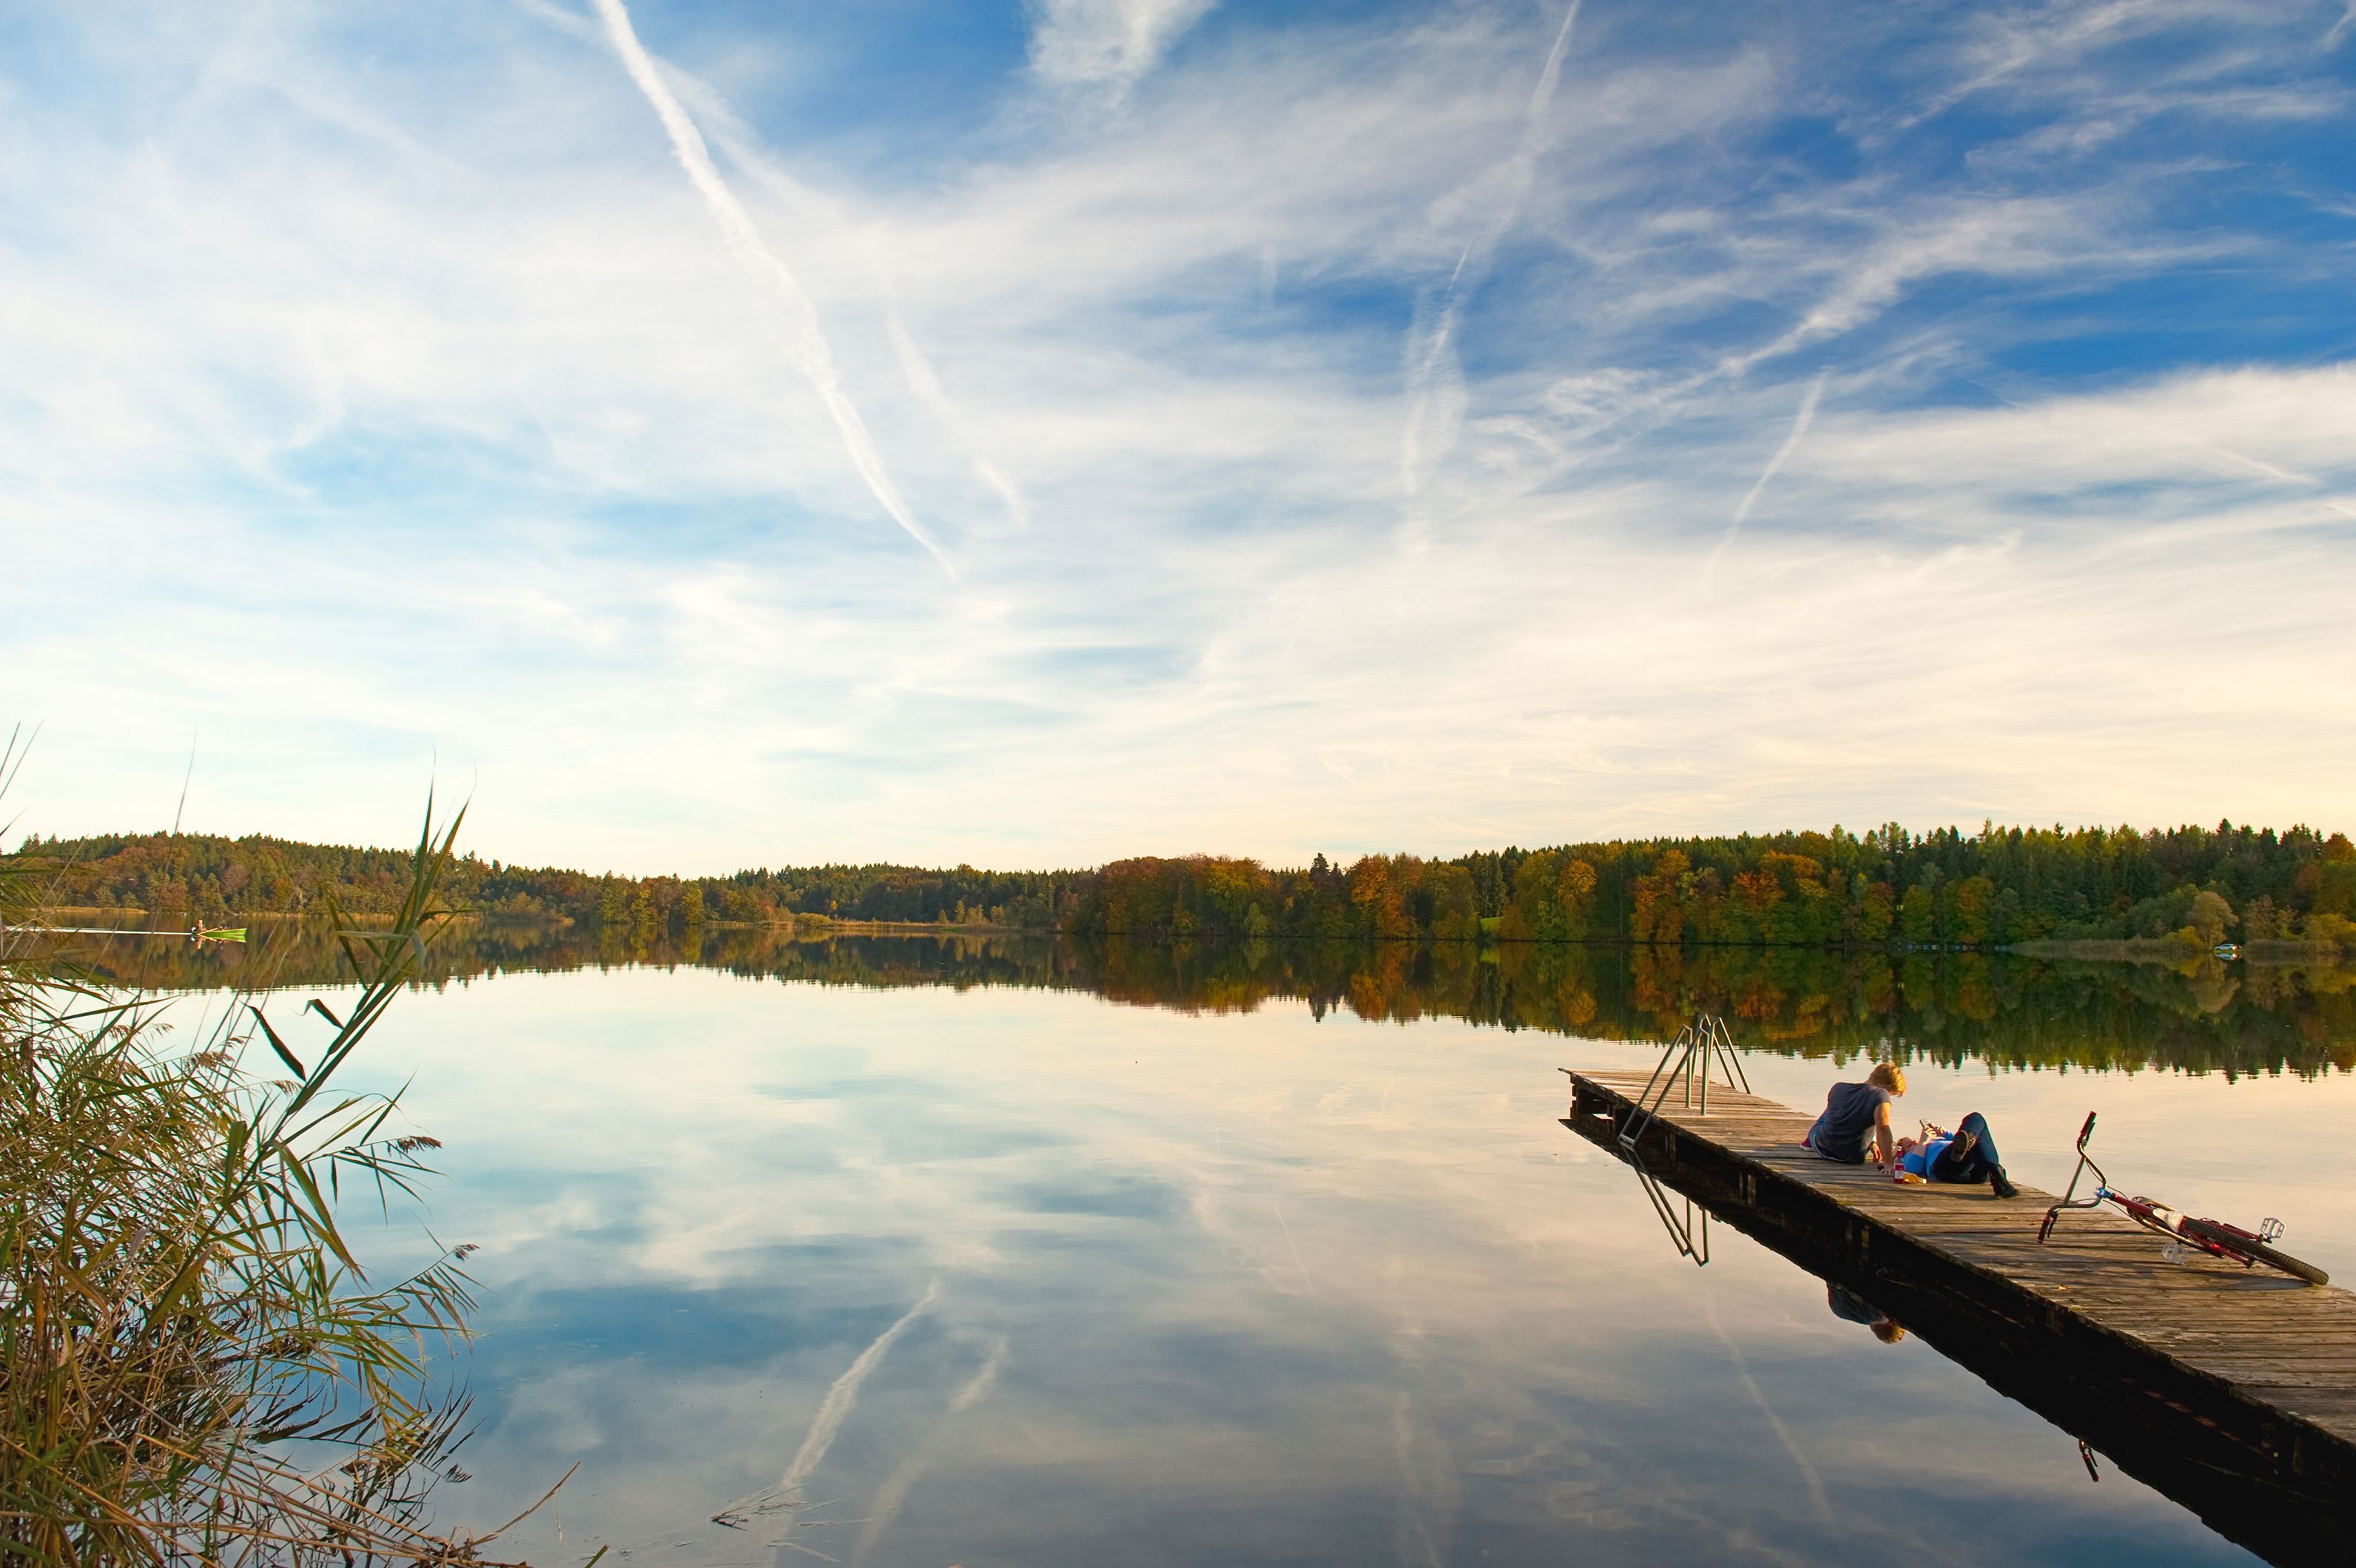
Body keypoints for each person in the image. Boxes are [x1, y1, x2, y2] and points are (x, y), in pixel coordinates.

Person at [1893, 1112, 2021, 1199]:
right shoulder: (1912, 1154)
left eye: (1914, 1140)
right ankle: (1997, 1176)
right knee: (1974, 1139)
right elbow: (1913, 1169)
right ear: (1905, 1152)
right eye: (1909, 1144)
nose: (1914, 1142)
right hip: (1946, 1168)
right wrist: (1922, 1143)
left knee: (1975, 1125)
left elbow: (1963, 1141)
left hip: (1976, 1169)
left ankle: (1994, 1175)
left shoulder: (1937, 1140)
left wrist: (1945, 1134)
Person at [1802, 1062, 1905, 1167]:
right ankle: (1871, 1141)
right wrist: (1888, 1162)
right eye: (1892, 1094)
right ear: (1888, 1087)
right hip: (1853, 1157)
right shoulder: (1881, 1094)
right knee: (1871, 1111)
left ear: (1872, 1075)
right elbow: (1883, 1128)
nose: (1889, 1096)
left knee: (1834, 1108)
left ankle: (1809, 1142)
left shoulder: (1838, 1087)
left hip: (1822, 1148)